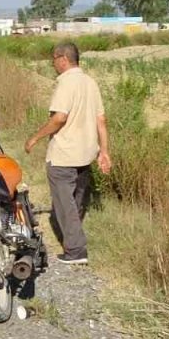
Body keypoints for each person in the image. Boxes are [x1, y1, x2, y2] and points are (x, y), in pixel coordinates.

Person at [24, 42, 112, 265]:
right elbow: (101, 120)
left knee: (65, 205)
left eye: (53, 59)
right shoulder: (90, 82)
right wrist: (104, 152)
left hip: (64, 155)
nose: (53, 64)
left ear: (62, 58)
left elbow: (59, 118)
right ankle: (72, 240)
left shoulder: (66, 84)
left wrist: (35, 137)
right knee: (76, 201)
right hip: (86, 153)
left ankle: (75, 251)